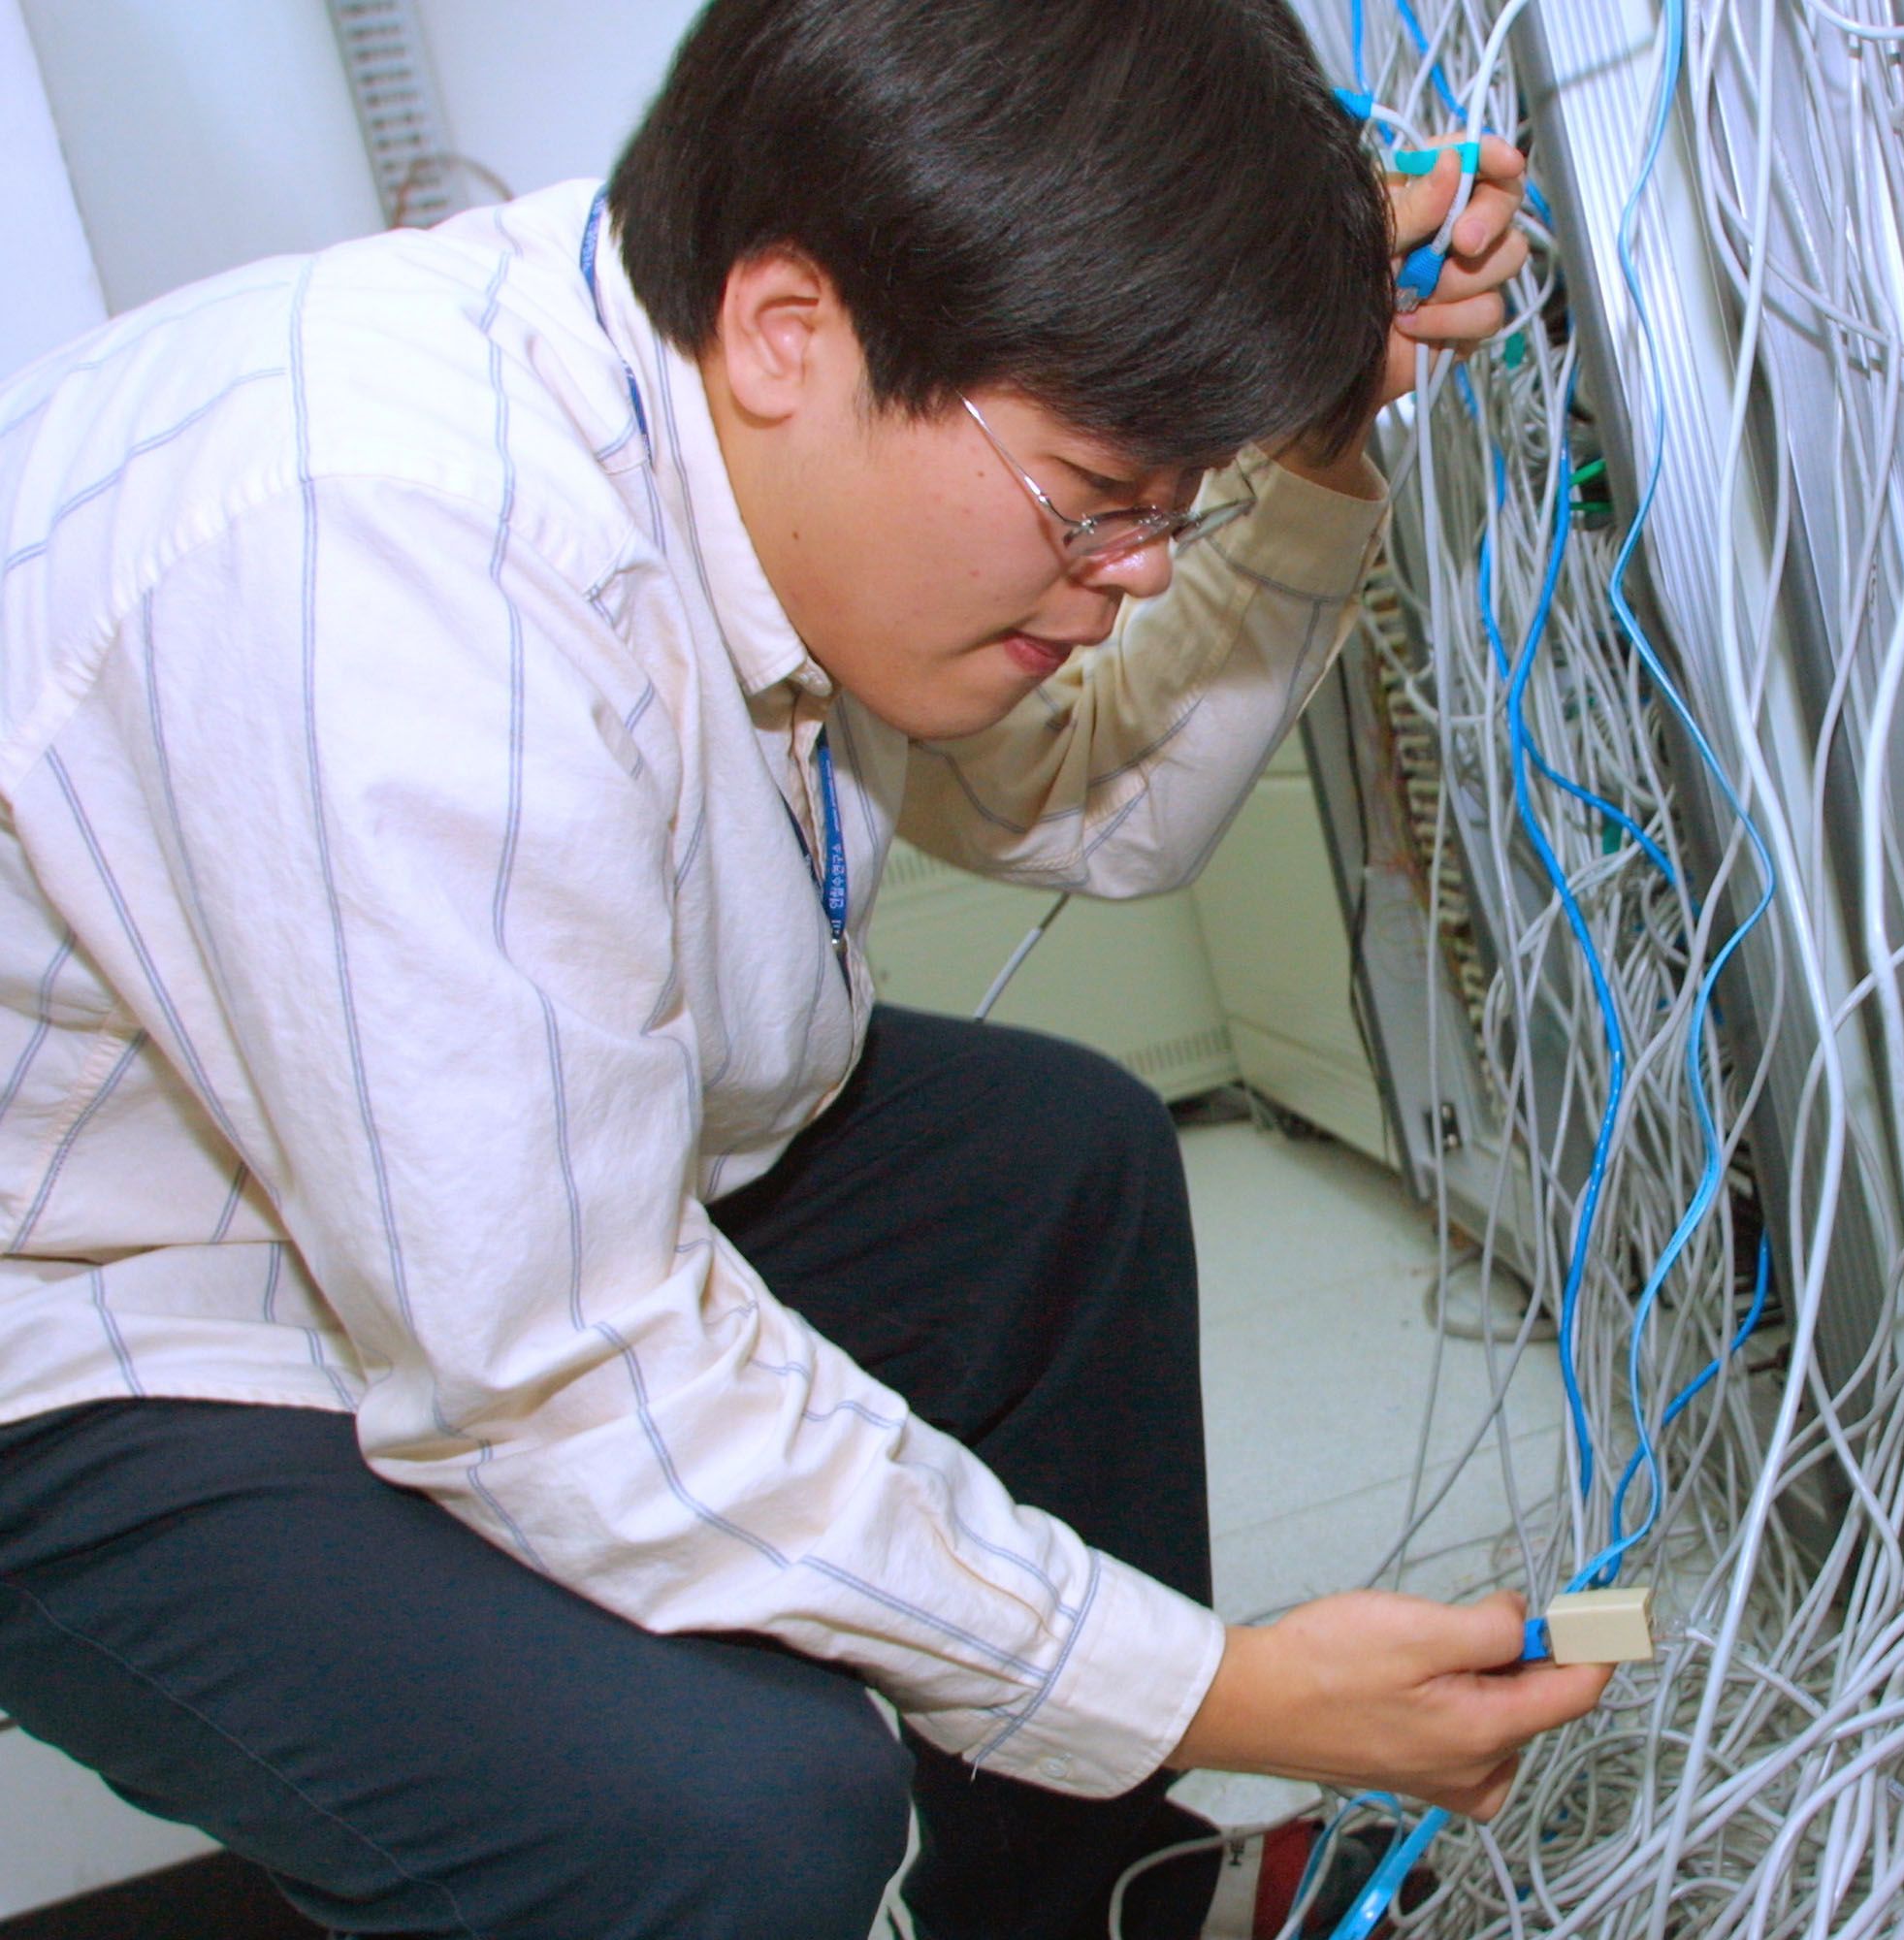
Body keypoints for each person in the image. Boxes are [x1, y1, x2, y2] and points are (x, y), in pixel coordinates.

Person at [0, 1, 1608, 1934]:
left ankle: (1101, 1900)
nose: (1145, 570)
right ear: (789, 332)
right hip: (95, 1326)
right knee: (727, 1806)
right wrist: (1214, 1684)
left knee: (1050, 1173)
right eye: (1100, 502)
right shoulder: (397, 571)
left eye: (1173, 504)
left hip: (422, 1191)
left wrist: (1324, 443)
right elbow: (558, 1365)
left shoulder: (723, 397)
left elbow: (1099, 810)